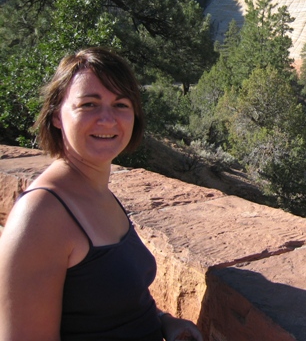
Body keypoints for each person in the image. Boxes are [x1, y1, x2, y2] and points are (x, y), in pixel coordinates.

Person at [0, 47, 203, 341]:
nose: (107, 119)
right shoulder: (40, 216)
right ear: (57, 115)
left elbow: (104, 301)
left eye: (121, 104)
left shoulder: (97, 192)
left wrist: (163, 321)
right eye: (89, 104)